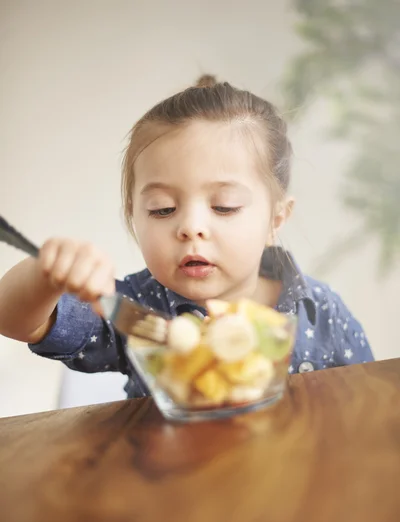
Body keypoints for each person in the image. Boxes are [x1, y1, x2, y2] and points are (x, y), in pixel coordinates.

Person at [0, 75, 373, 398]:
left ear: (276, 218)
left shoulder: (319, 311)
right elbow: (15, 321)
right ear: (134, 215)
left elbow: (370, 403)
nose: (190, 227)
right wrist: (44, 275)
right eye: (162, 208)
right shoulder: (136, 309)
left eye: (224, 206)